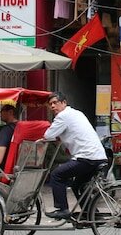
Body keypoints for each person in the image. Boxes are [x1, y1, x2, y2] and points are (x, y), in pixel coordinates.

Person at [41, 92, 108, 220]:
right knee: (78, 185)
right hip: (98, 156)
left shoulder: (62, 116)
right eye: (50, 104)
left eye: (55, 103)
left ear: (64, 103)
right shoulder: (77, 113)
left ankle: (62, 209)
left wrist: (51, 138)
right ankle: (93, 215)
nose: (53, 106)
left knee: (56, 174)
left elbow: (48, 135)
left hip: (86, 158)